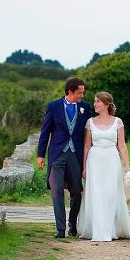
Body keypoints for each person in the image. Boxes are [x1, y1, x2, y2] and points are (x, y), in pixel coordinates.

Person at [37, 77, 93, 238]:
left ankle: (72, 222)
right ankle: (60, 229)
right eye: (80, 93)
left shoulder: (85, 107)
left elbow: (88, 133)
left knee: (77, 190)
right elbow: (45, 132)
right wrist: (41, 155)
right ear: (70, 92)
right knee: (56, 190)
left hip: (75, 154)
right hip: (57, 154)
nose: (82, 95)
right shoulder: (53, 107)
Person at [77, 91, 130, 242]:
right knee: (96, 194)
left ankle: (111, 229)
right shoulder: (90, 122)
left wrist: (127, 166)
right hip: (94, 161)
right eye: (94, 101)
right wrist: (83, 167)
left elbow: (122, 145)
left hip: (111, 159)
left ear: (107, 104)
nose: (94, 104)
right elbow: (86, 147)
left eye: (98, 102)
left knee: (110, 194)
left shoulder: (118, 122)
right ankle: (96, 229)